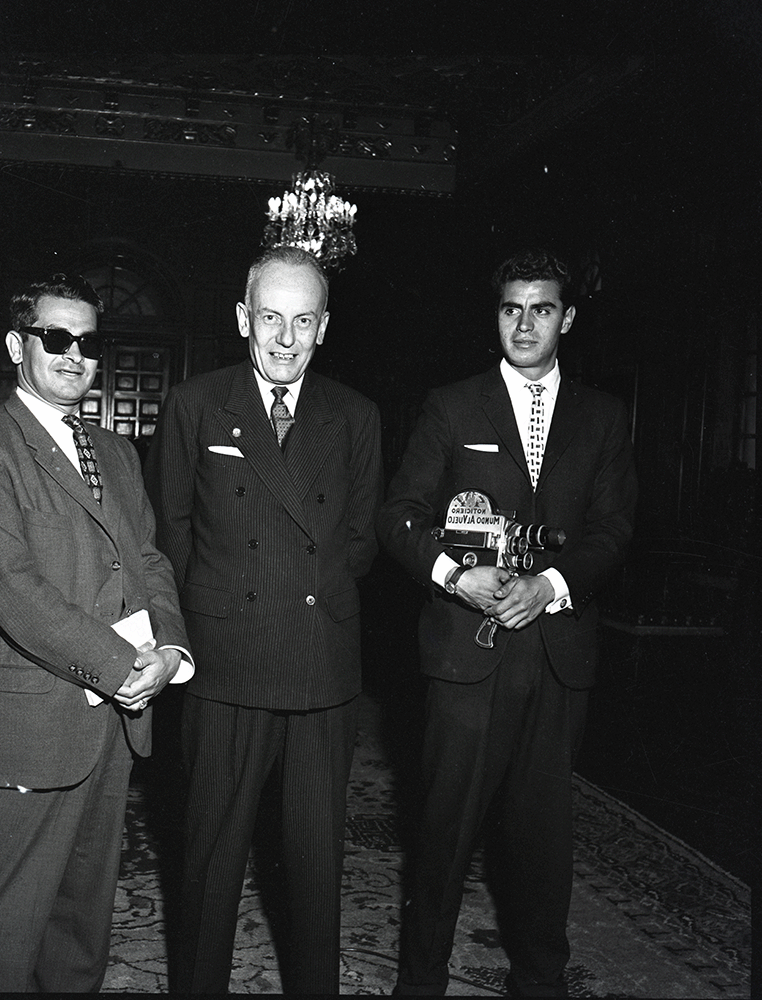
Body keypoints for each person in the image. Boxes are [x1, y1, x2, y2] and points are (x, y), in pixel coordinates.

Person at [379, 249, 637, 997]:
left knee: (543, 845)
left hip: (557, 659)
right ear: (495, 315)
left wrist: (550, 583)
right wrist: (457, 578)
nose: (525, 324)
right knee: (444, 838)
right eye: (510, 308)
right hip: (466, 658)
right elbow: (398, 516)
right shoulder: (452, 406)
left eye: (542, 309)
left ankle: (540, 985)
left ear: (568, 318)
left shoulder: (603, 416)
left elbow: (614, 531)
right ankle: (420, 984)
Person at [0, 273, 193, 992]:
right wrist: (121, 666)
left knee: (79, 932)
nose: (75, 355)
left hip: (110, 725)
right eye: (57, 339)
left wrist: (169, 649)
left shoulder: (114, 451)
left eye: (87, 341)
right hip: (28, 725)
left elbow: (147, 559)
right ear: (19, 345)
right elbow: (15, 591)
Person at [144, 245, 384, 994]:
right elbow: (171, 534)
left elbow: (361, 541)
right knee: (210, 865)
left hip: (320, 672)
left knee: (315, 870)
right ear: (243, 318)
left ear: (324, 328)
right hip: (225, 666)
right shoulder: (196, 403)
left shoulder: (355, 414)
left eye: (303, 321)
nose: (285, 340)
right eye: (271, 319)